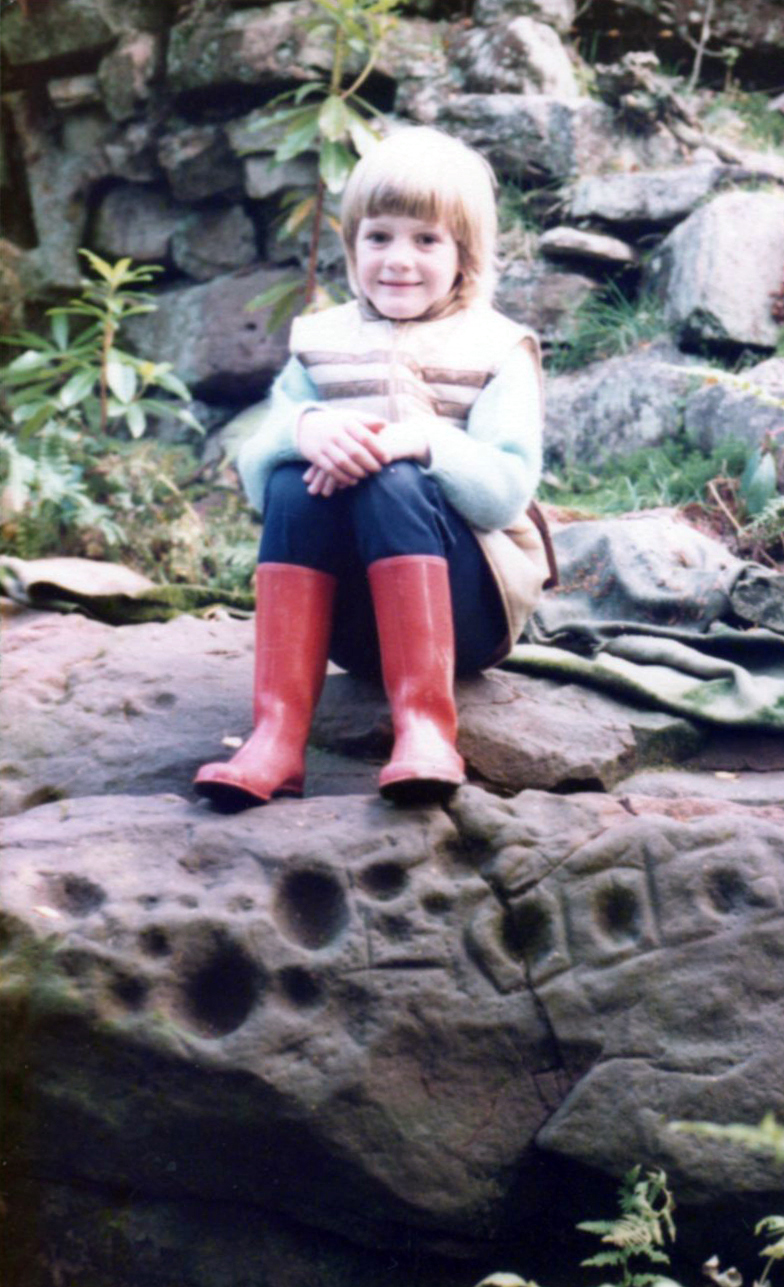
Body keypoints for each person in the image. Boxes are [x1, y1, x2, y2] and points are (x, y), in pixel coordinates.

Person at [193, 126, 551, 810]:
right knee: (294, 479)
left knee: (394, 480)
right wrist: (305, 427)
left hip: (465, 614)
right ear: (353, 243)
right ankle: (277, 737)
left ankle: (425, 731)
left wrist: (420, 441)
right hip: (352, 627)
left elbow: (506, 494)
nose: (398, 260)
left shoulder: (498, 347)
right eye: (379, 236)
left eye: (427, 240)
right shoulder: (321, 340)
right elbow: (256, 473)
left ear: (465, 253)